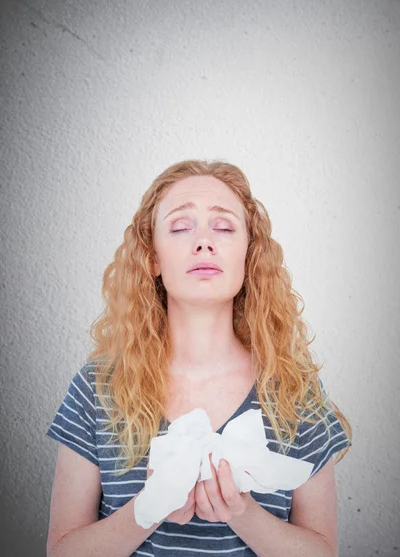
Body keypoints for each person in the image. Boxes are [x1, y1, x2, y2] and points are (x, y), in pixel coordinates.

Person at [45, 159, 352, 557]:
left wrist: (242, 513)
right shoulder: (96, 388)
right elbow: (61, 551)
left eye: (223, 227)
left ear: (249, 255)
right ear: (153, 259)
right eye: (179, 226)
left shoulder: (295, 390)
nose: (204, 241)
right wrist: (146, 510)